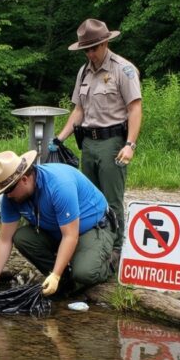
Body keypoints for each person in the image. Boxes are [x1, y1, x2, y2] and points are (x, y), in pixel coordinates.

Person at [54, 19, 143, 264]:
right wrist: (60, 138)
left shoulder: (122, 70)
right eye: (86, 49)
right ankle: (93, 248)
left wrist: (130, 144)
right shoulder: (84, 72)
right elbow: (78, 110)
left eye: (94, 48)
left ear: (105, 43)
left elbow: (135, 108)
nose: (90, 53)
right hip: (88, 144)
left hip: (113, 142)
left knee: (112, 200)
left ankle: (116, 252)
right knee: (88, 199)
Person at [0, 150, 116, 300]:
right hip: (59, 230)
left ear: (24, 179)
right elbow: (4, 240)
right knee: (21, 237)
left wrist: (55, 275)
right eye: (3, 191)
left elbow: (70, 236)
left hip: (92, 227)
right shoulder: (11, 197)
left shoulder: (59, 185)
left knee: (85, 273)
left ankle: (112, 260)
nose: (8, 195)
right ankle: (65, 279)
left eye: (9, 189)